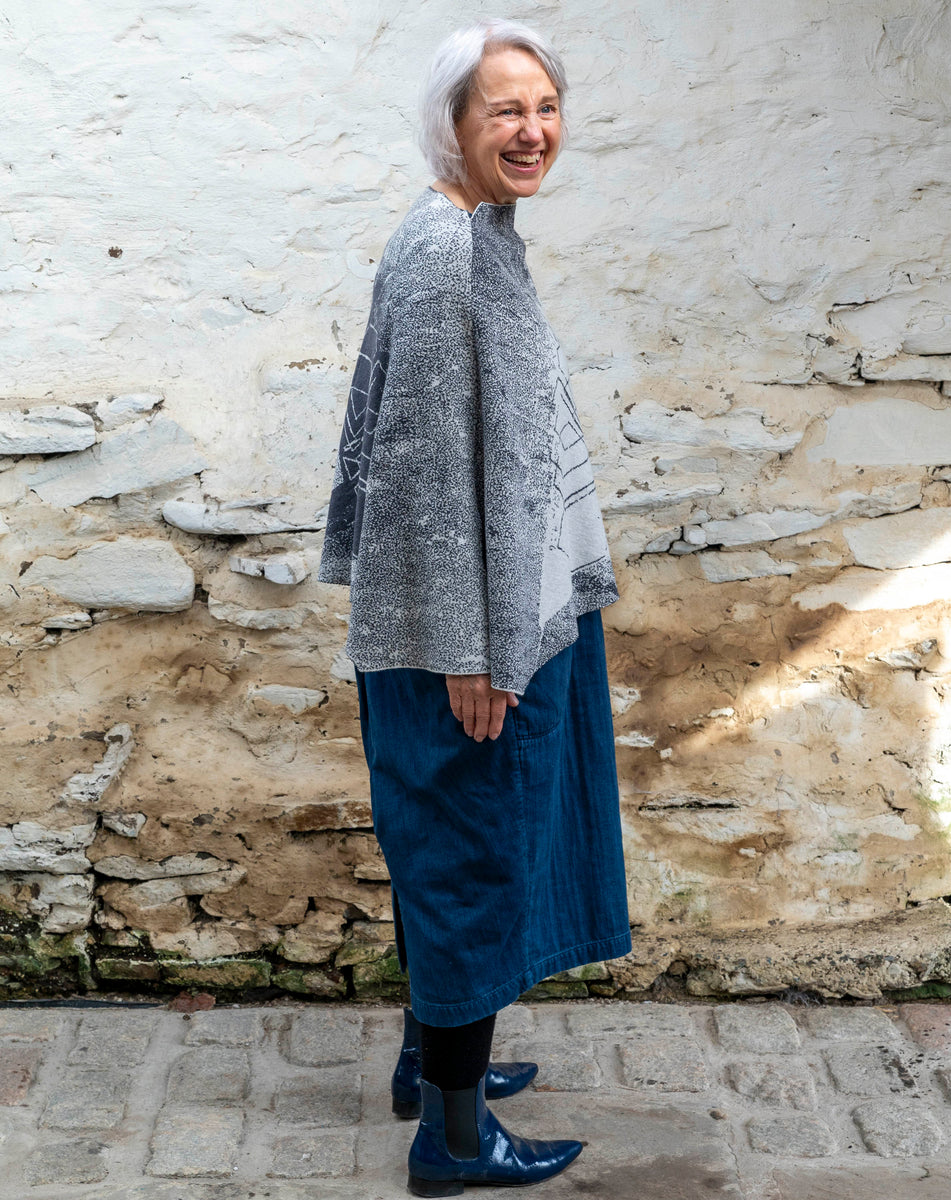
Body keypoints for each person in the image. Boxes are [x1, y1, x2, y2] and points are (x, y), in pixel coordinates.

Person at [316, 17, 632, 1196]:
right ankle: (452, 1140)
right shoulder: (448, 253)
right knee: (474, 856)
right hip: (471, 632)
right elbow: (423, 475)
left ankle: (428, 1059)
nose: (532, 129)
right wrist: (468, 649)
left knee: (454, 849)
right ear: (453, 123)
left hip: (496, 611)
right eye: (505, 110)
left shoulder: (464, 231)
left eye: (544, 107)